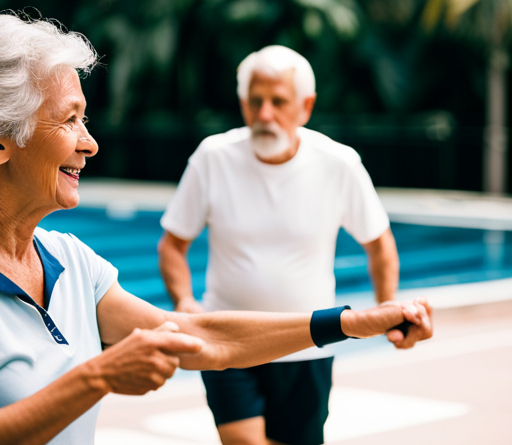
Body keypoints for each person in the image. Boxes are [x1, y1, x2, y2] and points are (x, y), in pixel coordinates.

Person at [0, 13, 432, 445]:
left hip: (302, 362)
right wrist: (96, 377)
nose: (90, 143)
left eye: (85, 119)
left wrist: (358, 321)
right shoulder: (215, 156)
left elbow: (202, 338)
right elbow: (175, 250)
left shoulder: (73, 264)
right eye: (69, 119)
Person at [158, 45, 406, 445]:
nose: (265, 114)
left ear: (305, 107)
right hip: (227, 340)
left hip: (308, 346)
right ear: (243, 104)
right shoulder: (213, 157)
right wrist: (185, 301)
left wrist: (387, 308)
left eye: (278, 101)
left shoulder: (339, 163)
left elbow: (379, 244)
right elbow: (172, 244)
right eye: (255, 102)